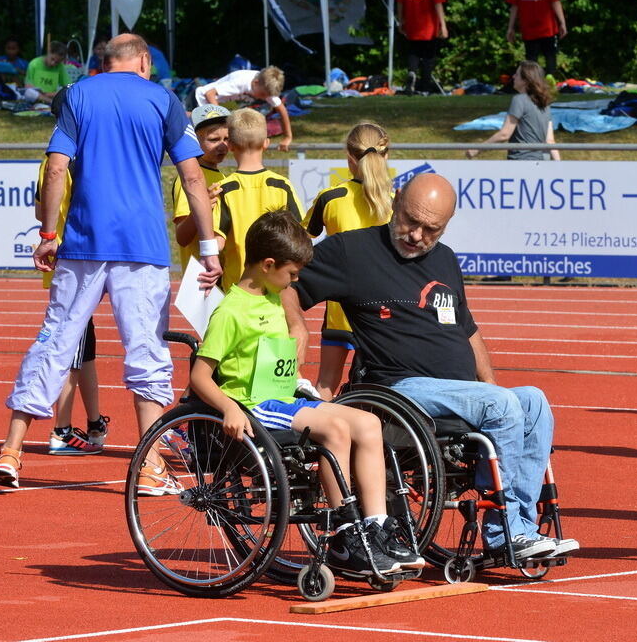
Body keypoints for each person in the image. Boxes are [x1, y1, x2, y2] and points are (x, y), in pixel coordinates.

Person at [283, 173, 579, 561]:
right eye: (411, 221)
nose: (417, 235)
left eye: (431, 228)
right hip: (397, 390)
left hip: (456, 394)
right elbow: (286, 284)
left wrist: (491, 385)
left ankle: (522, 524)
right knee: (503, 404)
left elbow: (468, 331)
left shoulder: (445, 259)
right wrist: (296, 325)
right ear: (396, 202)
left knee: (533, 402)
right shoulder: (351, 251)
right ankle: (506, 532)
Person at [0, 33, 222, 489]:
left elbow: (56, 167)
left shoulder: (77, 94)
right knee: (146, 351)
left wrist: (48, 235)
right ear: (140, 61)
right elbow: (192, 177)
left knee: (54, 342)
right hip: (142, 246)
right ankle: (151, 464)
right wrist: (209, 247)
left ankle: (12, 451)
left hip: (83, 242)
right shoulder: (162, 98)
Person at [190, 210, 422, 574]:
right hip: (254, 403)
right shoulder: (231, 312)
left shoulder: (271, 296)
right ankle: (345, 532)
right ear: (268, 265)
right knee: (335, 430)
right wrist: (229, 407)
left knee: (368, 423)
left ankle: (376, 527)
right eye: (292, 274)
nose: (295, 282)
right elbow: (200, 376)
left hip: (284, 395)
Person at [34, 88, 109, 456]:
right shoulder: (85, 158)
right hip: (78, 265)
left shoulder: (50, 158)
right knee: (68, 353)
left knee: (85, 351)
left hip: (70, 265)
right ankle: (61, 430)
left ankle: (94, 423)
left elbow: (39, 211)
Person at [303, 122, 394, 400]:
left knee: (326, 385)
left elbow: (299, 242)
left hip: (341, 310)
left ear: (349, 158)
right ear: (386, 155)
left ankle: (322, 441)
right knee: (385, 388)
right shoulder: (396, 201)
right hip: (386, 310)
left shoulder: (331, 198)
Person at [215, 108, 303, 292]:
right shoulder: (281, 185)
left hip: (237, 285)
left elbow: (218, 242)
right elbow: (300, 232)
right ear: (266, 143)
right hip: (275, 284)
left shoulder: (224, 188)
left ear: (230, 145)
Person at [172, 105, 230, 273]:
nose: (222, 145)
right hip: (201, 276)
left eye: (227, 139)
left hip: (223, 276)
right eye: (214, 139)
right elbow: (182, 237)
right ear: (194, 140)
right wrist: (203, 205)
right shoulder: (189, 179)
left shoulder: (224, 178)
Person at [466, 61, 559, 162]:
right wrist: (559, 166)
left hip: (521, 161)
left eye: (517, 74)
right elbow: (550, 141)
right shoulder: (545, 104)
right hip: (541, 162)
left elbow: (504, 134)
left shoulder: (519, 99)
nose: (513, 76)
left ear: (525, 80)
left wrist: (476, 149)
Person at [194, 67, 294, 151]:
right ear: (256, 82)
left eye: (267, 96)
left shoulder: (266, 86)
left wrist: (287, 137)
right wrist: (222, 119)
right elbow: (210, 94)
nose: (264, 98)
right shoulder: (241, 82)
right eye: (263, 95)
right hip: (199, 101)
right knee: (199, 141)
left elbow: (282, 111)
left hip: (215, 108)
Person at [506, 0, 567, 79]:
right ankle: (549, 79)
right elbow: (555, 2)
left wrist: (510, 27)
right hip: (548, 28)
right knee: (550, 56)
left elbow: (514, 6)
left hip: (529, 29)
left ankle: (533, 83)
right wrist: (562, 22)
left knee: (531, 59)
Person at [396, 0, 448, 94]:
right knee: (428, 57)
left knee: (413, 52)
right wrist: (443, 25)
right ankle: (425, 85)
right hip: (429, 26)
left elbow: (400, 2)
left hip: (412, 24)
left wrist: (400, 20)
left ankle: (412, 73)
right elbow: (438, 4)